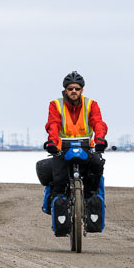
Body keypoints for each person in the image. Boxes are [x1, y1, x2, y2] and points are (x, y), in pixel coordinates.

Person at [37, 71, 107, 235]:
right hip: (62, 150)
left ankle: (90, 203)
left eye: (77, 88)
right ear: (65, 90)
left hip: (86, 149)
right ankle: (61, 216)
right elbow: (53, 124)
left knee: (96, 169)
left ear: (82, 89)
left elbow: (98, 122)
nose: (73, 91)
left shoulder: (91, 104)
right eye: (70, 88)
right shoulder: (56, 105)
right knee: (58, 183)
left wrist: (100, 139)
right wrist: (52, 143)